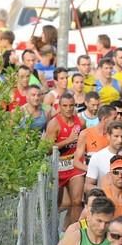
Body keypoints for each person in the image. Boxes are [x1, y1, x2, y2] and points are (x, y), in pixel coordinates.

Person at [44, 93, 85, 229]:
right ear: (59, 107)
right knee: (59, 205)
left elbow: (84, 142)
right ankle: (53, 232)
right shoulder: (54, 124)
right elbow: (47, 149)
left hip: (74, 165)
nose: (68, 109)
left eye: (71, 106)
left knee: (77, 201)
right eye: (65, 106)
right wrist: (67, 141)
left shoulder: (81, 122)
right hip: (58, 167)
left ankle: (73, 233)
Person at [85, 121, 122, 192]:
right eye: (116, 136)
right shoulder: (97, 157)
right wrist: (107, 191)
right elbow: (88, 186)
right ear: (108, 136)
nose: (120, 140)